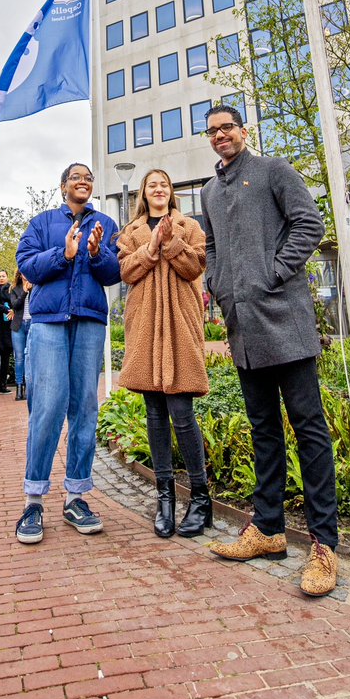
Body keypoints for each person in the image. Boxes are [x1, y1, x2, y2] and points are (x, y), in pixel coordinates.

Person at [198, 105, 339, 597]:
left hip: (286, 320)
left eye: (227, 128)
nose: (221, 136)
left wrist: (271, 274)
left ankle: (325, 546)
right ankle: (269, 529)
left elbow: (309, 225)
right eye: (213, 131)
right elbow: (211, 248)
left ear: (243, 131)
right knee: (263, 430)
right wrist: (220, 286)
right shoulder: (209, 191)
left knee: (309, 429)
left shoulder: (274, 170)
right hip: (242, 327)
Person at [14, 163, 120, 544]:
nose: (84, 182)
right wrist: (64, 253)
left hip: (90, 322)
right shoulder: (42, 223)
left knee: (85, 408)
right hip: (48, 323)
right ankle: (33, 500)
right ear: (62, 186)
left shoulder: (106, 223)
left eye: (89, 178)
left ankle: (76, 496)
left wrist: (95, 254)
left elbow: (114, 271)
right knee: (47, 406)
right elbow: (26, 265)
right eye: (76, 177)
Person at [118, 169, 212, 539]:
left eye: (164, 185)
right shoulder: (131, 232)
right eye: (151, 185)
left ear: (171, 192)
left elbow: (194, 267)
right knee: (154, 414)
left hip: (179, 325)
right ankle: (165, 498)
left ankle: (201, 499)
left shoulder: (190, 227)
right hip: (144, 327)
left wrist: (171, 243)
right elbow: (126, 271)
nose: (158, 189)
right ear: (143, 193)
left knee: (182, 413)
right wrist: (151, 246)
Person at [9, 270, 32, 402]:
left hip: (32, 323)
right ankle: (19, 387)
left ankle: (29, 387)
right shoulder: (15, 289)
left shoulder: (36, 286)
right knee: (19, 358)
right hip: (18, 325)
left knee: (31, 356)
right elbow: (15, 305)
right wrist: (24, 292)